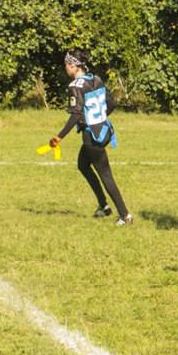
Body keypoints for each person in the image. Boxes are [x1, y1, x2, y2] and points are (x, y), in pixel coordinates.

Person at [49, 49, 132, 225]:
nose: (66, 68)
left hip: (92, 136)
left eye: (66, 65)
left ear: (73, 65)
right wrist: (100, 118)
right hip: (105, 130)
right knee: (83, 165)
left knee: (105, 175)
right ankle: (103, 206)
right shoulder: (96, 79)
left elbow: (76, 115)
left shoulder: (75, 86)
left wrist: (59, 137)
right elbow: (112, 103)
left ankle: (125, 215)